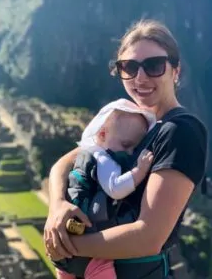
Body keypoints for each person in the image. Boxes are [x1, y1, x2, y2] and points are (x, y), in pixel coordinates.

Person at [44, 19, 207, 278]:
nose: (140, 77)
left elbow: (147, 236)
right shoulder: (129, 121)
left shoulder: (180, 132)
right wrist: (57, 207)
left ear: (175, 71)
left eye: (154, 65)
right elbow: (65, 163)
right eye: (129, 67)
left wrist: (65, 246)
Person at [53, 98, 156, 279]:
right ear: (102, 135)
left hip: (64, 246)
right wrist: (139, 171)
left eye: (135, 147)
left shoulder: (87, 153)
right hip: (92, 252)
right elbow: (115, 188)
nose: (130, 153)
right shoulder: (104, 159)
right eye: (126, 145)